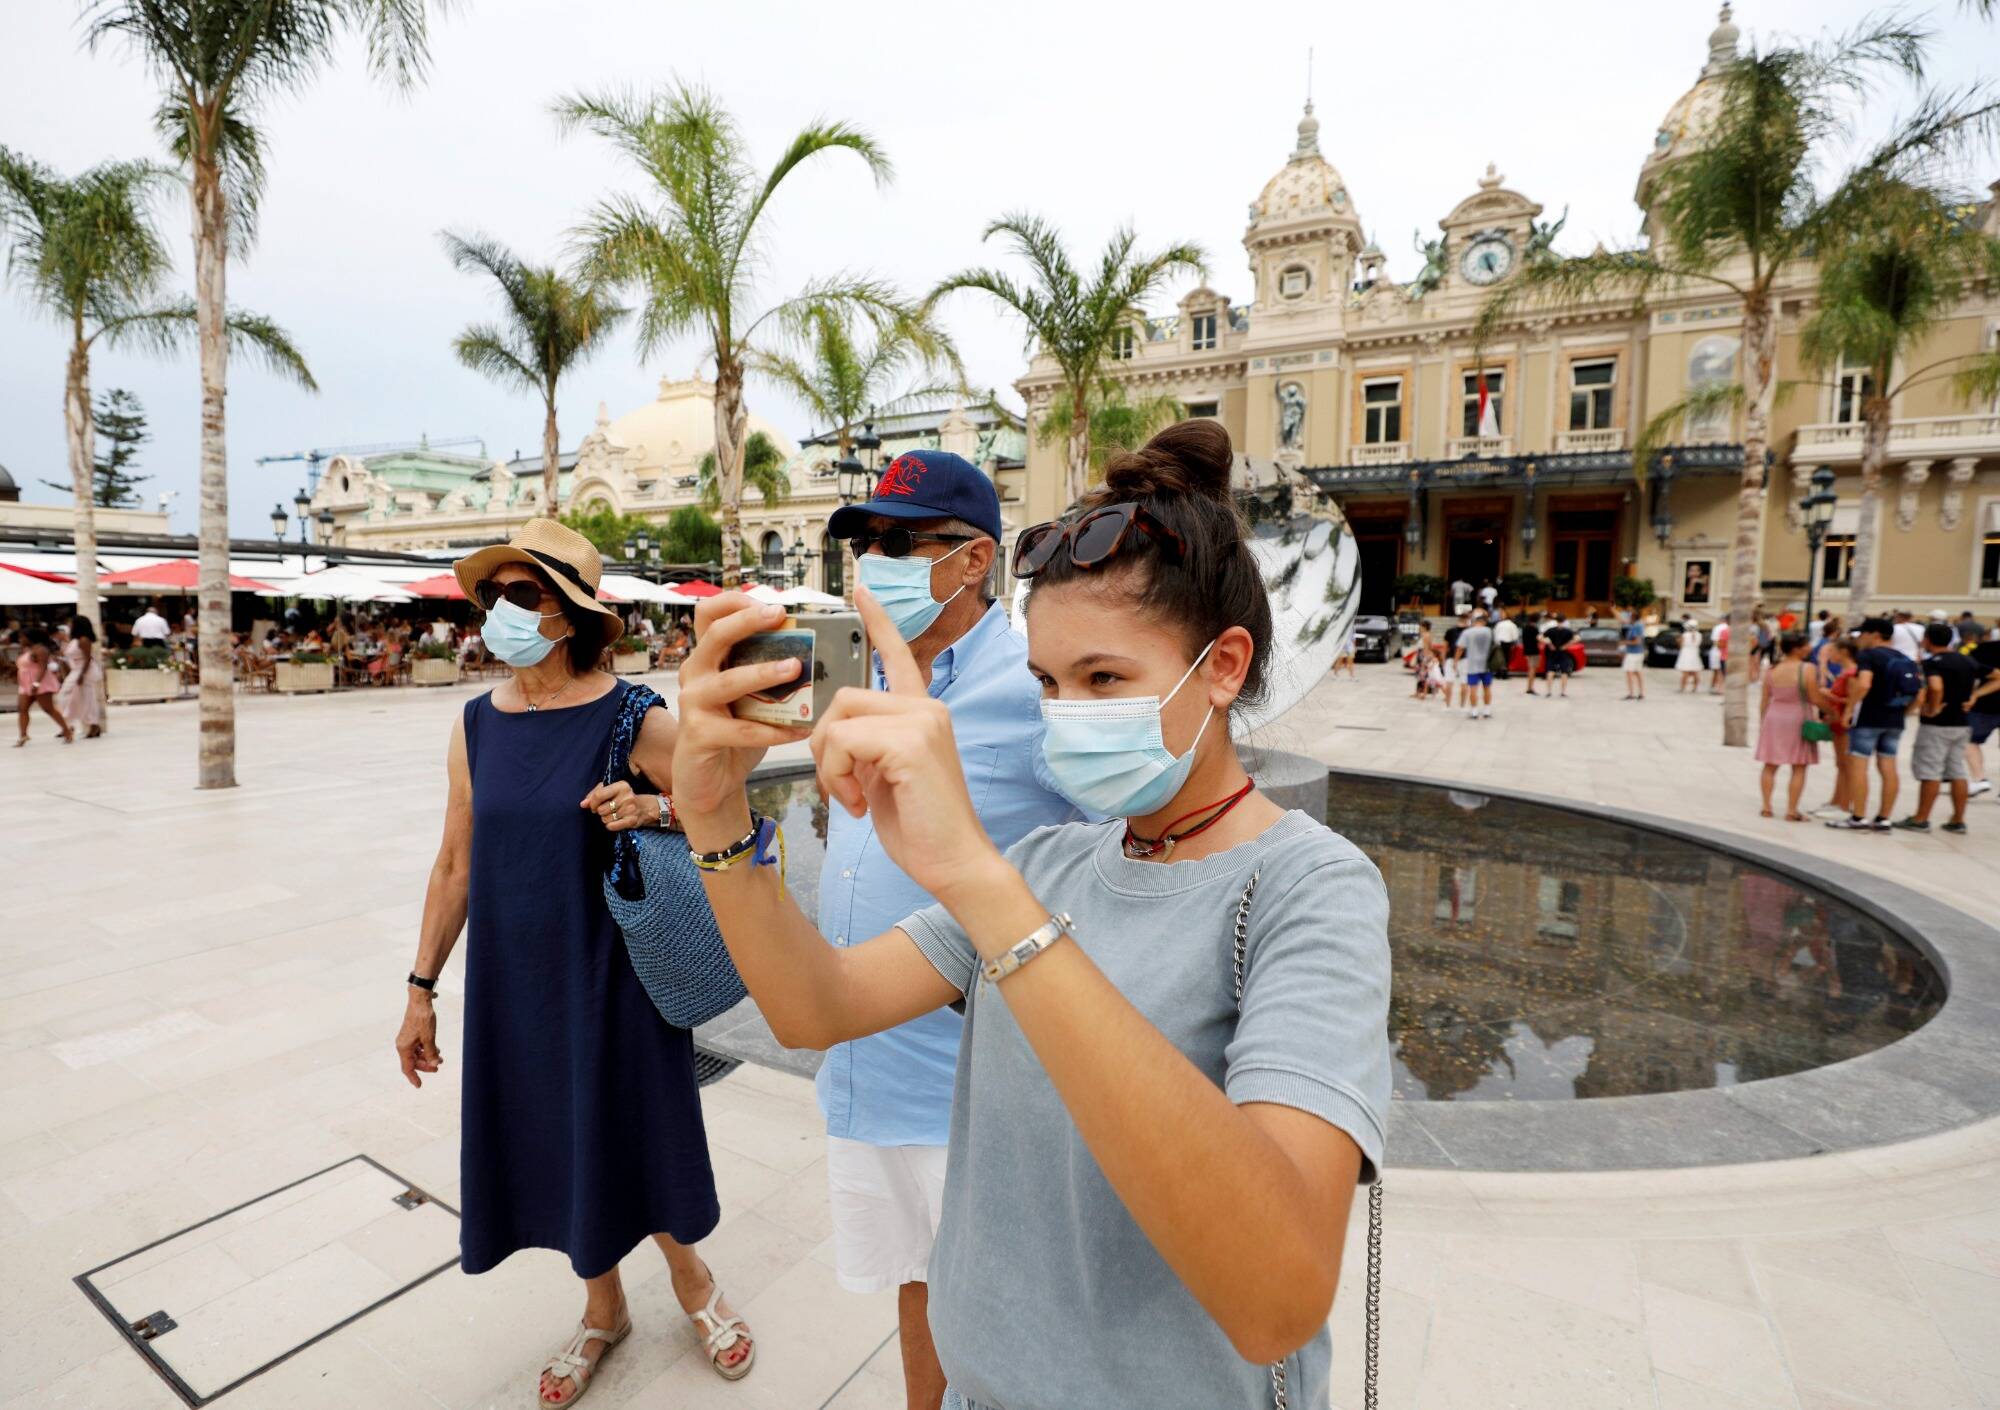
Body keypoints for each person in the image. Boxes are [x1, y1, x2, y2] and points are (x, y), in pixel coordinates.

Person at [670, 420, 1390, 1409]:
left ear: (1222, 667)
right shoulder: (1050, 860)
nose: (1067, 711)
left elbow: (1276, 1294)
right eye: (1048, 684)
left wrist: (971, 870)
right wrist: (711, 815)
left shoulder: (1308, 888)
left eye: (1104, 679)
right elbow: (815, 1006)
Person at [392, 519, 757, 1407]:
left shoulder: (633, 715)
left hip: (609, 976)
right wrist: (420, 989)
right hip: (515, 987)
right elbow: (455, 862)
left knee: (639, 1131)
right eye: (494, 597)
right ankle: (602, 1310)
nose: (502, 613)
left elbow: (730, 806)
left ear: (571, 617)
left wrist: (653, 810)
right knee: (553, 1142)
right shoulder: (476, 724)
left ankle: (693, 1283)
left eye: (525, 596)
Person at [820, 452, 1082, 1409]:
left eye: (897, 542)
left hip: (972, 1083)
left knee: (1005, 1308)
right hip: (866, 1066)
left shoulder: (1036, 687)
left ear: (972, 562)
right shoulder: (871, 680)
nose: (871, 563)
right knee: (916, 1278)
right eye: (864, 542)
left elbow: (1106, 865)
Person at [1894, 622, 1998, 834]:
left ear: (1928, 640)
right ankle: (1958, 819)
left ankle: (1921, 818)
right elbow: (1997, 676)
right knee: (1957, 772)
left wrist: (1932, 708)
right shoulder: (1967, 661)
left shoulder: (1932, 663)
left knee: (1930, 772)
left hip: (1937, 725)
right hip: (1961, 723)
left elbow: (1935, 686)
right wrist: (1974, 696)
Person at [1829, 617, 1917, 832]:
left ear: (1875, 634)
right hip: (1894, 719)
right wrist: (1904, 713)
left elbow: (1865, 683)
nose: (1860, 638)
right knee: (1888, 766)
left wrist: (1849, 709)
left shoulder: (1868, 656)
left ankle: (1859, 817)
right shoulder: (1904, 658)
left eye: (1863, 634)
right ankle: (1884, 818)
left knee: (1859, 765)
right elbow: (1919, 693)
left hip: (1869, 718)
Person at [1755, 631, 1823, 820]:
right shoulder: (1807, 668)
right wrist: (1831, 711)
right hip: (1798, 716)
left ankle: (1767, 806)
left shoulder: (1772, 669)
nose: (1810, 648)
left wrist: (1762, 722)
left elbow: (1764, 699)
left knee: (1770, 764)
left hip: (1774, 716)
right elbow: (1815, 697)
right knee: (1799, 765)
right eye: (1806, 645)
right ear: (1797, 649)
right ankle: (1791, 810)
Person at [1812, 636, 1860, 819]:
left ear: (1844, 652)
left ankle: (1844, 803)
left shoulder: (1852, 673)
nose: (1829, 654)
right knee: (1840, 763)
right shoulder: (1843, 672)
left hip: (1844, 722)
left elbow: (1855, 700)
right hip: (1837, 721)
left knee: (1846, 764)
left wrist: (1831, 697)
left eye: (1833, 651)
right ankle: (1836, 800)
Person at [13, 630, 72, 746]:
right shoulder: (26, 650)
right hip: (25, 684)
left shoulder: (41, 650)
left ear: (30, 637)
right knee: (22, 708)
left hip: (40, 683)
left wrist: (36, 684)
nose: (20, 640)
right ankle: (23, 735)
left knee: (48, 709)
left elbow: (43, 668)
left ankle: (67, 730)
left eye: (22, 637)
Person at [56, 614, 105, 739]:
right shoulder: (74, 640)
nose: (70, 626)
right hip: (76, 669)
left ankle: (93, 725)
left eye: (72, 623)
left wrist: (82, 675)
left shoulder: (84, 640)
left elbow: (88, 658)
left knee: (86, 698)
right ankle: (70, 723)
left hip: (83, 670)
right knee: (66, 696)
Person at [1965, 627, 2000, 798]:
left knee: (1970, 741)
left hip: (1986, 704)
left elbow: (1970, 673)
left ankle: (1979, 779)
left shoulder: (1984, 649)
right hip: (1985, 704)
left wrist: (1974, 694)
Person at [1455, 610, 1495, 719]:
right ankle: (1487, 710)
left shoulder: (1467, 632)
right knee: (1487, 688)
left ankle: (1474, 711)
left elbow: (1460, 648)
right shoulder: (1489, 631)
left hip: (1472, 664)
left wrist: (1455, 661)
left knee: (1473, 688)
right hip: (1487, 664)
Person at [1543, 613, 1575, 697]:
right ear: (1564, 621)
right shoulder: (1567, 631)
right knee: (1564, 672)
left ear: (1556, 620)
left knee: (1550, 671)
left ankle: (1549, 691)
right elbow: (1577, 638)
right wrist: (1566, 645)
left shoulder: (1551, 630)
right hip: (1563, 653)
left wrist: (1550, 644)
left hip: (1552, 653)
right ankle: (1563, 692)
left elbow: (1540, 637)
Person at [1619, 608, 1647, 700]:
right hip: (1638, 653)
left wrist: (1625, 642)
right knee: (1638, 672)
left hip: (1633, 653)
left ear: (1633, 617)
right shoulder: (1638, 625)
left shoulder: (1637, 626)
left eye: (1630, 616)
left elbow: (1637, 641)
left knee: (1629, 673)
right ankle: (1641, 693)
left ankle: (1631, 693)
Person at [1674, 616, 1704, 692]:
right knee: (1695, 672)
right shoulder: (1699, 635)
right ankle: (1695, 688)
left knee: (1685, 672)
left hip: (1686, 653)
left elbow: (1681, 645)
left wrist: (1678, 641)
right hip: (1695, 653)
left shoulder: (1685, 635)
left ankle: (1682, 688)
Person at [1519, 610, 1542, 695]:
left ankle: (1529, 687)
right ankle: (1530, 687)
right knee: (1532, 669)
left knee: (1530, 668)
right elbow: (1539, 639)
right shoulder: (1534, 628)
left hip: (1527, 650)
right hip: (1534, 651)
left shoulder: (1525, 627)